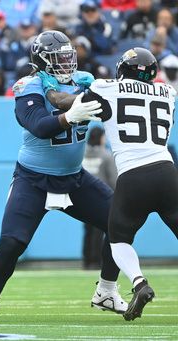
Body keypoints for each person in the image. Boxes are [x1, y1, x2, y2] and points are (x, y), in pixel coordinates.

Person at [0, 30, 127, 323]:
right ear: (41, 61)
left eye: (69, 56)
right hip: (34, 179)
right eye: (59, 58)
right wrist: (70, 115)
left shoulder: (85, 81)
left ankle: (106, 290)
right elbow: (39, 125)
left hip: (74, 178)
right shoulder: (29, 86)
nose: (67, 62)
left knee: (119, 223)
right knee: (12, 242)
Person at [43, 47, 177, 321]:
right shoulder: (169, 93)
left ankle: (139, 283)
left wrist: (47, 89)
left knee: (118, 238)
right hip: (167, 171)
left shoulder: (107, 88)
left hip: (133, 175)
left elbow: (67, 103)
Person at [82, 127, 117, 270]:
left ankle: (87, 260)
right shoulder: (106, 155)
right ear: (101, 138)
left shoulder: (82, 153)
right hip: (100, 197)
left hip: (83, 198)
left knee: (88, 230)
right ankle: (96, 261)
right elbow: (113, 179)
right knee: (100, 230)